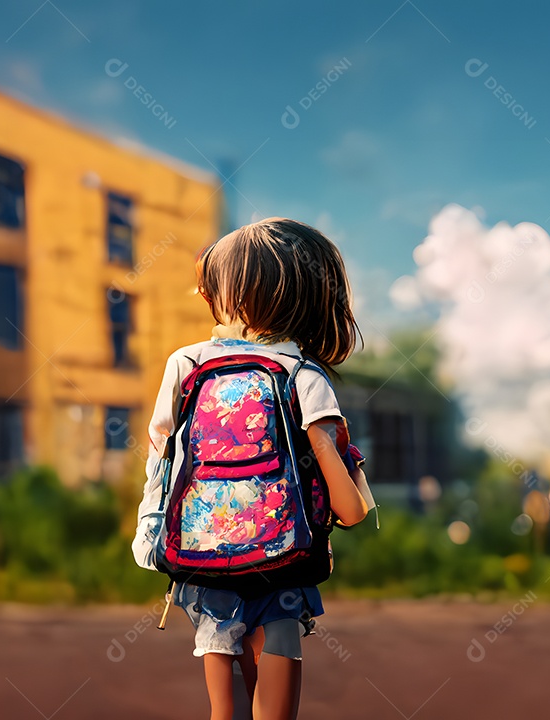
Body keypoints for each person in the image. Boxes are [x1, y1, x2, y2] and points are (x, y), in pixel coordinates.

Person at [131, 218, 372, 720]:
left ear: (235, 294)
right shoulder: (304, 375)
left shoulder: (186, 363)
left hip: (206, 565)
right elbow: (348, 503)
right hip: (282, 567)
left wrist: (151, 535)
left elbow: (162, 459)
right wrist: (351, 487)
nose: (202, 291)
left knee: (227, 710)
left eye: (213, 283)